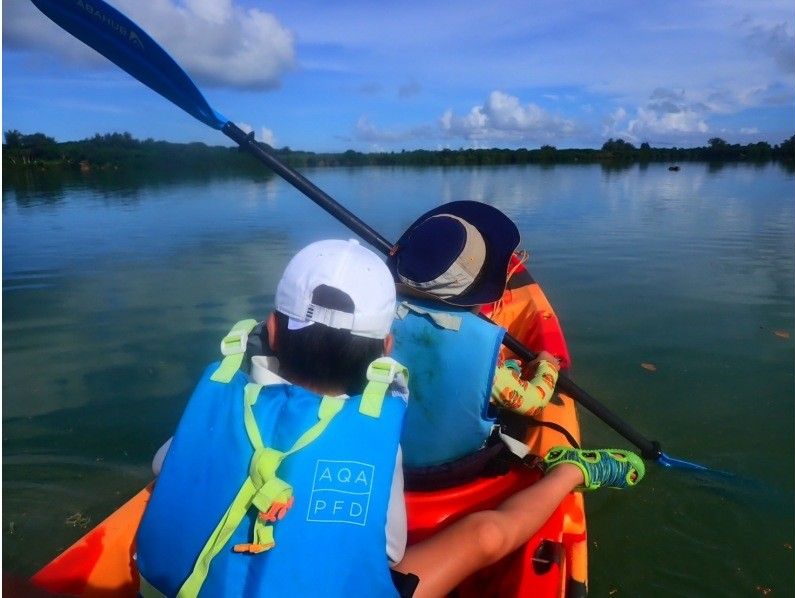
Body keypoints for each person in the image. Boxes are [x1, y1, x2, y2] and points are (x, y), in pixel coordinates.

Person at [138, 237, 645, 598]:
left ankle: (570, 472)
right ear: (385, 349)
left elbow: (170, 467)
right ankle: (571, 471)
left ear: (270, 330)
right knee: (484, 537)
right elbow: (387, 549)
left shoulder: (217, 407)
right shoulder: (377, 438)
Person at [386, 200, 564, 470]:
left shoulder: (377, 319)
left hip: (388, 453)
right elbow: (533, 402)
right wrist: (547, 366)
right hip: (455, 466)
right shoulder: (482, 347)